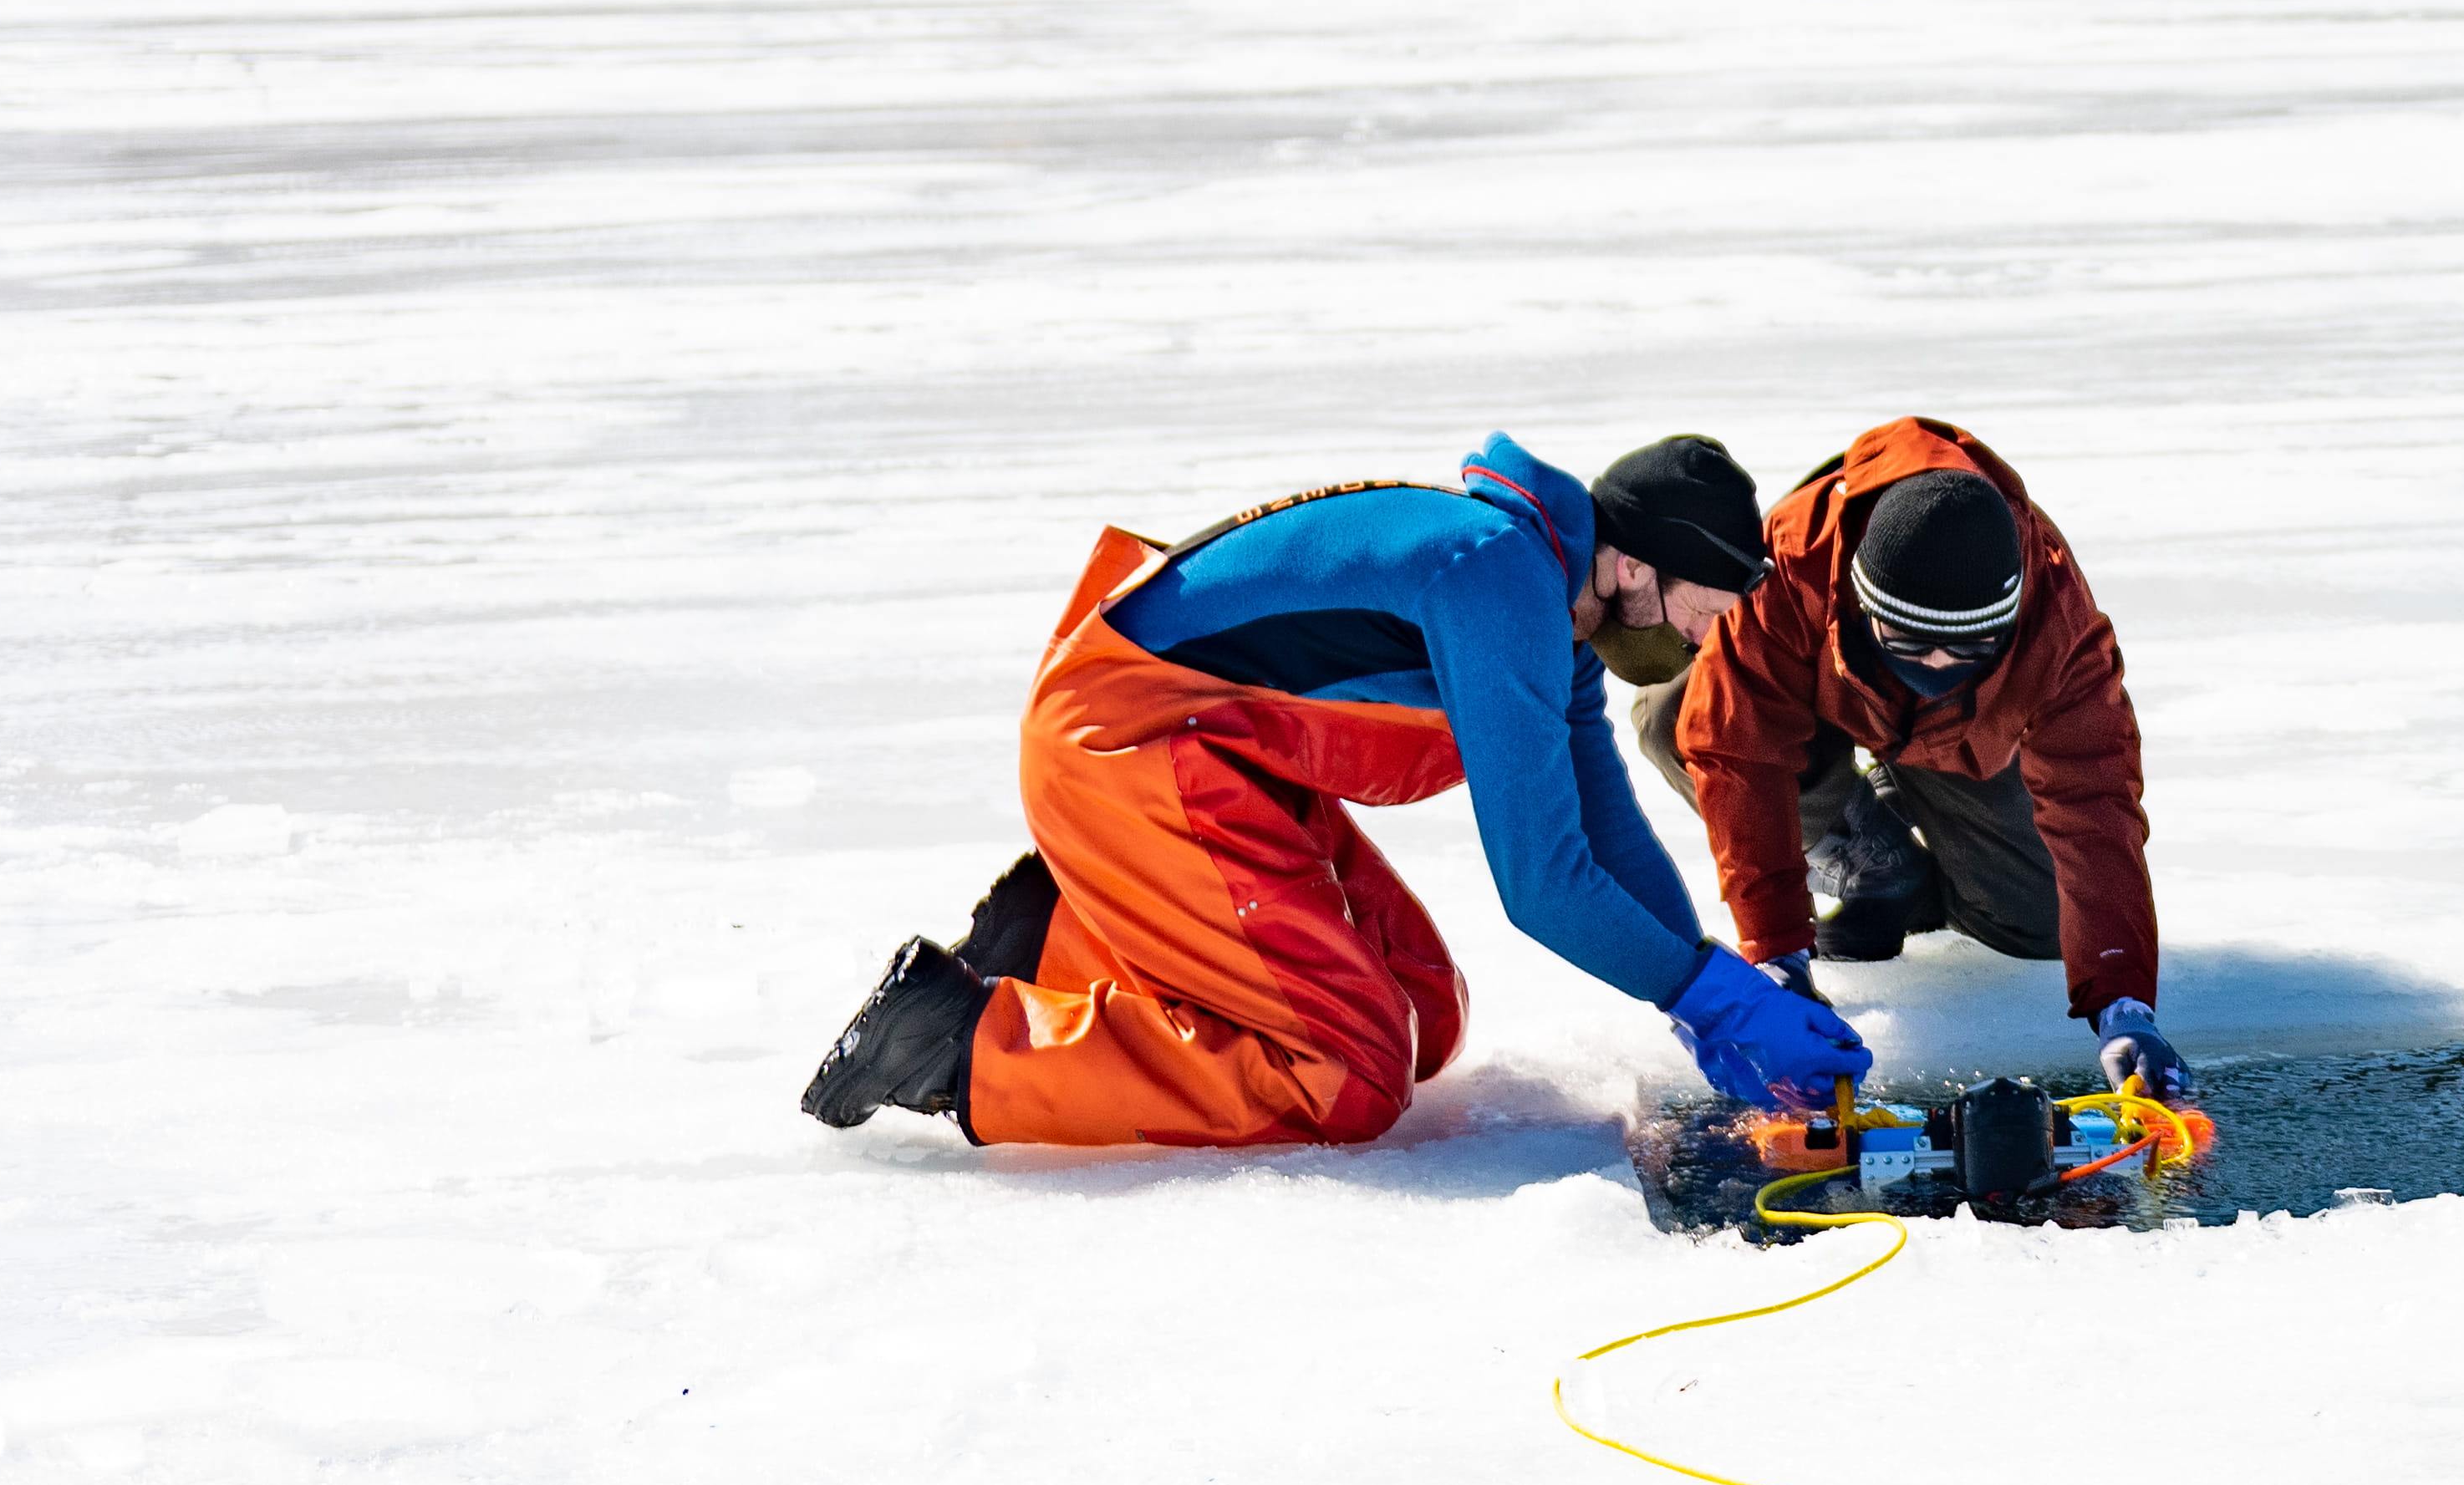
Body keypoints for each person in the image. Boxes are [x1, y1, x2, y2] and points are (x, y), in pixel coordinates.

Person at [798, 431, 1875, 1149]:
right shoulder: (1497, 580)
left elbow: (1605, 830)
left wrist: (1699, 994)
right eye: (1712, 602)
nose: (1712, 634)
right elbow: (1544, 882)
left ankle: (1062, 944)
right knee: (1349, 1073)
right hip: (1127, 746)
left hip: (1230, 765)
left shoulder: (1555, 604)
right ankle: (961, 1041)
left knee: (1424, 1012)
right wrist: (1703, 990)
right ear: (1639, 564)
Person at [1652, 418, 2190, 1111]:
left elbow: (2096, 803)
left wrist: (2123, 1005)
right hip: (1822, 701)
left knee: (2035, 924)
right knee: (1679, 714)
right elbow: (1737, 749)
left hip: (1970, 747)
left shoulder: (2058, 619)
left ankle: (1913, 825)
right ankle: (1870, 853)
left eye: (1962, 652)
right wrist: (1775, 951)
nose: (1933, 666)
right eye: (1907, 642)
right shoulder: (1796, 558)